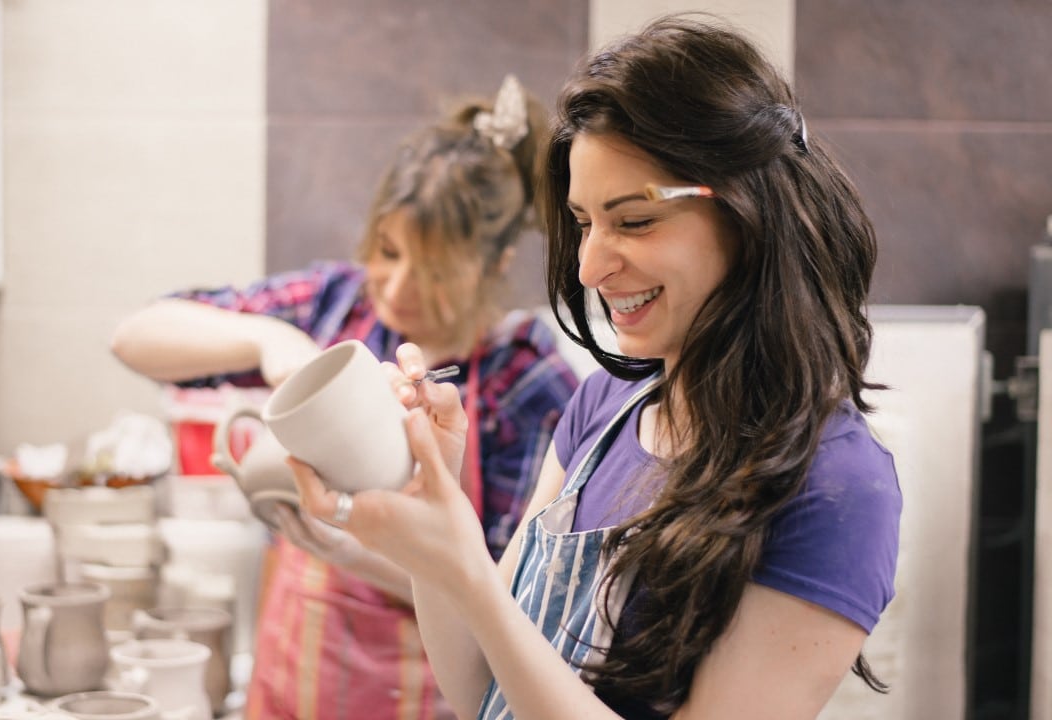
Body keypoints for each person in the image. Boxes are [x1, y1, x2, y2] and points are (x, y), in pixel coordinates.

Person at [290, 14, 902, 720]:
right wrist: (436, 505)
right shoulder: (603, 406)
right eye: (583, 222)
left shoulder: (836, 490)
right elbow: (480, 692)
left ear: (748, 213)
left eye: (634, 221)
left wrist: (465, 566)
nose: (589, 266)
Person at [111, 75, 580, 719]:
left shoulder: (526, 383)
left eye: (435, 269)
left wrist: (353, 550)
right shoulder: (337, 306)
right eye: (388, 250)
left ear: (496, 265)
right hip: (292, 682)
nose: (398, 286)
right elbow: (136, 337)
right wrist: (266, 338)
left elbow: (510, 599)